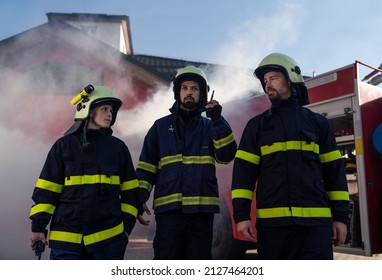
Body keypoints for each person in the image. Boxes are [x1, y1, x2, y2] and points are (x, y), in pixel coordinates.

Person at [231, 53, 350, 260]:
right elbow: (243, 176)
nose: (268, 84)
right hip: (274, 228)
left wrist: (340, 218)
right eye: (265, 81)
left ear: (291, 78)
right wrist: (241, 216)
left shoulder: (318, 124)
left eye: (273, 78)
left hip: (315, 228)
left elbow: (334, 175)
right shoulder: (256, 126)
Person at [136, 65, 237, 259]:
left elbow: (226, 156)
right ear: (177, 92)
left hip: (201, 214)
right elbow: (146, 168)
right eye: (185, 88)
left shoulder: (211, 126)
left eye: (194, 88)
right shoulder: (160, 127)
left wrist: (218, 120)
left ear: (203, 94)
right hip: (169, 214)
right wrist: (139, 197)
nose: (189, 92)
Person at [29, 85, 140, 260]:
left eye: (111, 110)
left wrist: (125, 231)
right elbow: (47, 191)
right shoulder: (63, 146)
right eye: (104, 109)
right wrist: (38, 227)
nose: (110, 114)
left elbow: (131, 194)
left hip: (108, 244)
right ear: (86, 109)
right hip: (66, 243)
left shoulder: (118, 149)